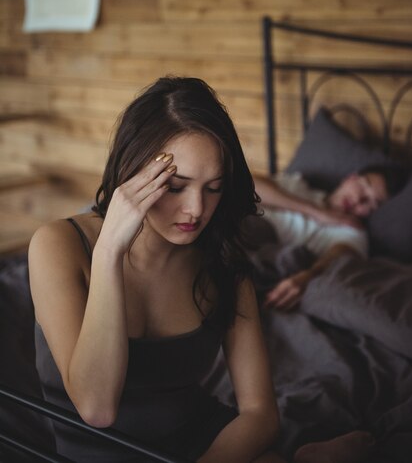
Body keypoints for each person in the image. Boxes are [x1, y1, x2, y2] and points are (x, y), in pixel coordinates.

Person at [28, 76, 286, 463]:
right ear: (132, 174)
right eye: (176, 186)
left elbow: (260, 413)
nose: (197, 209)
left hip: (201, 445)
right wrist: (109, 251)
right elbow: (96, 408)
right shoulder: (58, 245)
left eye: (213, 188)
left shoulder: (224, 267)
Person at [252, 166, 393, 310]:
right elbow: (248, 186)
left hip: (266, 247)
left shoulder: (353, 231)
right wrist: (317, 212)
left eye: (371, 202)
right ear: (351, 178)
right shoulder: (297, 185)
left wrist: (309, 275)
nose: (358, 200)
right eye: (363, 187)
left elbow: (340, 256)